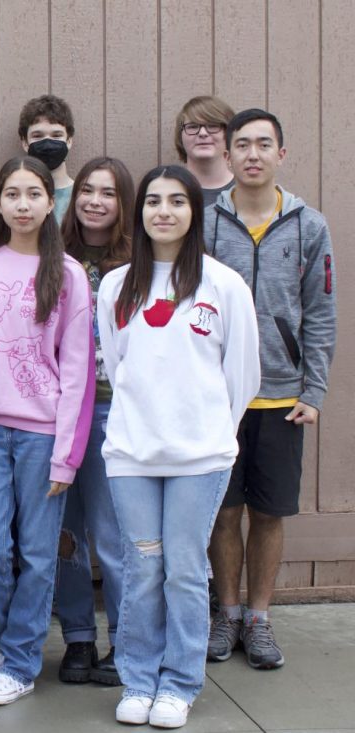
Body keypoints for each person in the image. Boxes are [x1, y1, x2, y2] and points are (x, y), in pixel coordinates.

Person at [99, 165, 260, 728]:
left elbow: (242, 376)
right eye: (152, 202)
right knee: (142, 568)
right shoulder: (117, 286)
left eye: (176, 202)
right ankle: (139, 680)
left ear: (194, 211)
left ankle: (179, 683)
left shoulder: (223, 285)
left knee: (185, 571)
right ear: (138, 211)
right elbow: (120, 369)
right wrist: (150, 420)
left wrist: (206, 428)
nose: (163, 211)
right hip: (132, 455)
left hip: (200, 457)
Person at [204, 109, 337, 671]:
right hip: (216, 398)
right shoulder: (205, 224)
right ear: (228, 156)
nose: (253, 154)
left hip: (282, 397)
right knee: (222, 511)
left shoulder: (310, 226)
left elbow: (321, 311)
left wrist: (315, 387)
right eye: (243, 145)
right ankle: (225, 614)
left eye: (264, 144)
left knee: (270, 513)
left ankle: (259, 618)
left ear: (281, 154)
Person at [0, 156, 94, 706]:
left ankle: (17, 664)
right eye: (11, 194)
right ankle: (14, 646)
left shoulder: (68, 274)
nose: (22, 204)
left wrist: (66, 455)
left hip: (43, 435)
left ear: (48, 202)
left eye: (32, 194)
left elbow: (78, 370)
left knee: (39, 554)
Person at [53, 157, 135, 687]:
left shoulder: (140, 265)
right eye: (87, 190)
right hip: (58, 414)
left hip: (114, 412)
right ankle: (78, 637)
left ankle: (124, 643)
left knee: (112, 535)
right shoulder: (53, 260)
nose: (95, 201)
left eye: (108, 192)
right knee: (65, 535)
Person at [18, 95, 76, 223]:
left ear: (69, 140)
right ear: (25, 143)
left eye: (56, 135)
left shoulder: (82, 196)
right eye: (38, 136)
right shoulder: (15, 198)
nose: (48, 143)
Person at [174, 95, 235, 207]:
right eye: (192, 126)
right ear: (180, 136)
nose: (202, 133)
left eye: (213, 126)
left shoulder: (247, 191)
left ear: (230, 133)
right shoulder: (166, 191)